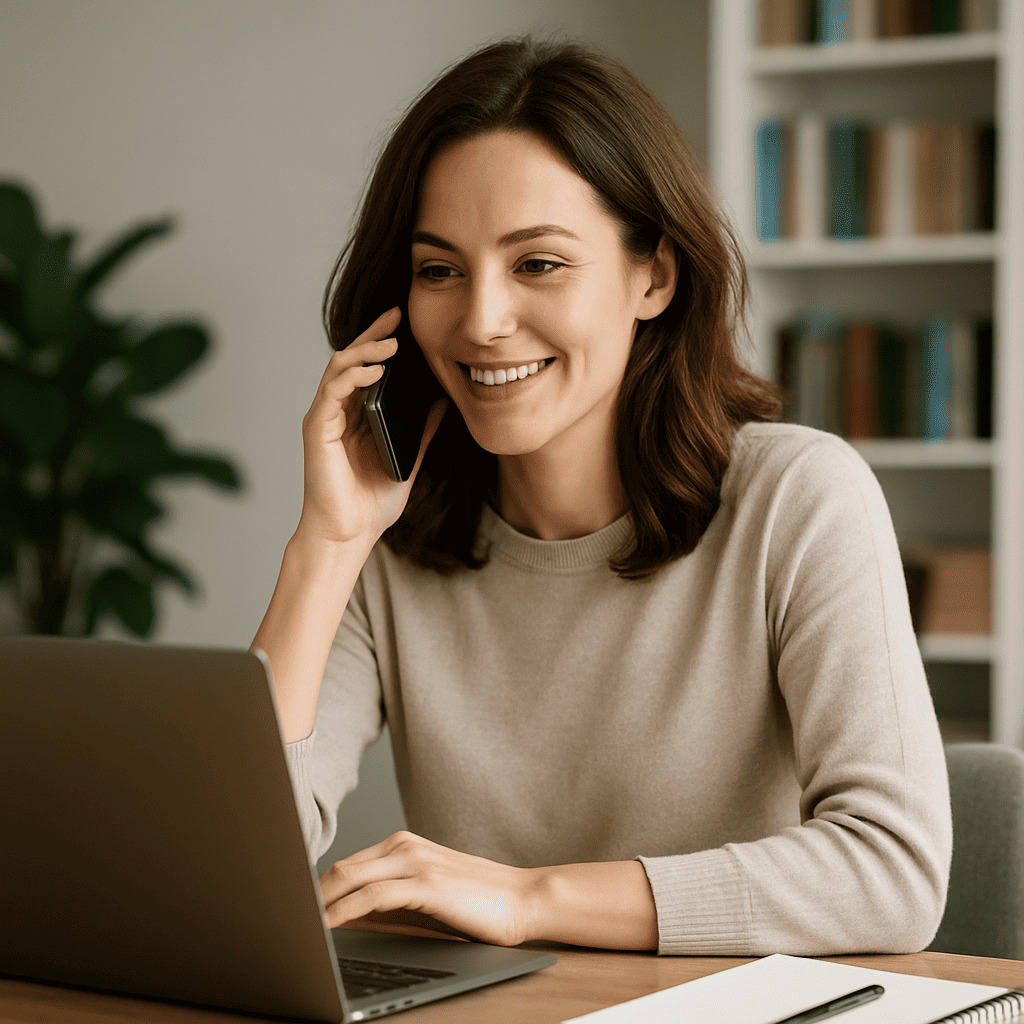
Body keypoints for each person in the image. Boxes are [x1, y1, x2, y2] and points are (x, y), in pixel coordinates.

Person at [253, 35, 951, 956]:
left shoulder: (799, 499)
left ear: (652, 275)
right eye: (438, 269)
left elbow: (891, 873)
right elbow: (231, 865)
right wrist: (326, 548)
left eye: (537, 263)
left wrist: (530, 900)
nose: (481, 321)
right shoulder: (390, 541)